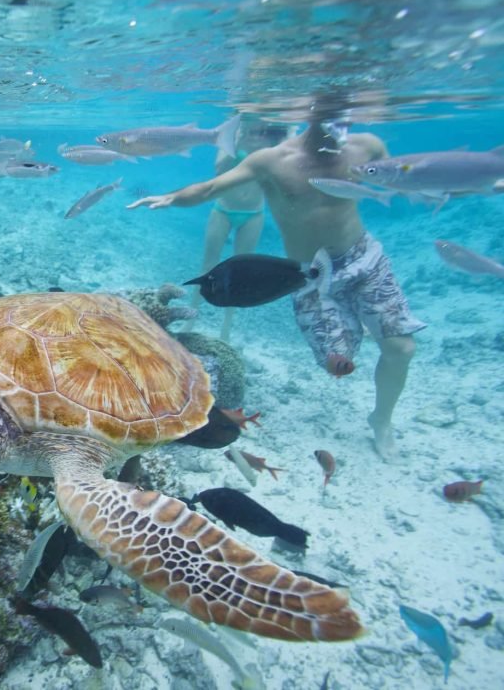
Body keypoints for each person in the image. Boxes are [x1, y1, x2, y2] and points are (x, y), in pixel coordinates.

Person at [128, 106, 425, 459]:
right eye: (327, 113)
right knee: (337, 362)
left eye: (344, 113)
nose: (339, 122)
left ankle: (382, 419)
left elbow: (398, 178)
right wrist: (173, 197)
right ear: (307, 114)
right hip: (308, 273)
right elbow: (211, 187)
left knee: (401, 349)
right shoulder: (271, 160)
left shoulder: (368, 146)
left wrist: (466, 182)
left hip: (364, 258)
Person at [183, 117, 292, 341]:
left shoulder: (271, 144)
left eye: (259, 130)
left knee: (242, 273)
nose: (255, 133)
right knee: (207, 265)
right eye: (250, 129)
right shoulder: (229, 140)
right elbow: (219, 169)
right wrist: (239, 142)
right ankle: (189, 320)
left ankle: (226, 332)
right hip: (223, 210)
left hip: (254, 214)